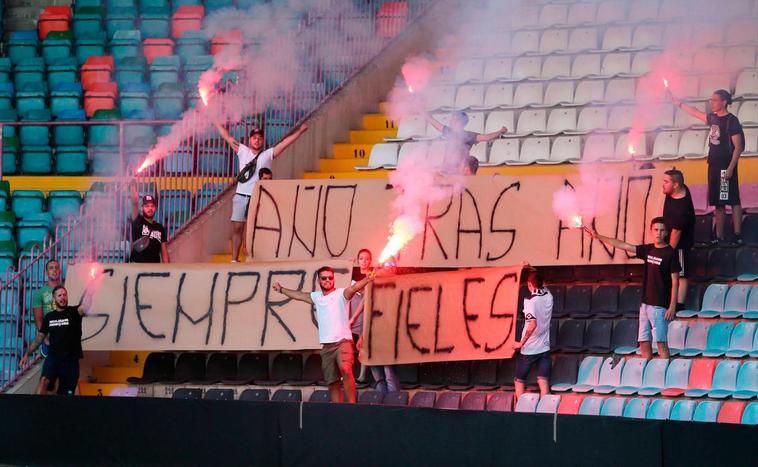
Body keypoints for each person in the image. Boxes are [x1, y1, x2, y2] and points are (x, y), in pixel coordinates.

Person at [272, 266, 375, 403]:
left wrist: (367, 279)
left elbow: (354, 288)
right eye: (324, 278)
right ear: (319, 280)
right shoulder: (317, 297)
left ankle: (352, 406)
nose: (327, 280)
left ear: (334, 279)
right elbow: (299, 295)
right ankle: (336, 410)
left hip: (343, 342)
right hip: (327, 346)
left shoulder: (341, 294)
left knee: (345, 369)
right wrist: (281, 289)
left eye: (330, 277)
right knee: (332, 381)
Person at [214, 122, 308, 262]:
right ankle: (234, 260)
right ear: (249, 140)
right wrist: (216, 123)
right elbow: (227, 136)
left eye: (259, 138)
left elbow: (284, 144)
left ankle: (253, 258)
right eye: (254, 138)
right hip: (241, 195)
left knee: (256, 230)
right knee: (238, 228)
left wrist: (300, 131)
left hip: (258, 197)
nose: (257, 140)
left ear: (263, 141)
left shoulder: (268, 154)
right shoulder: (242, 150)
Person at [589, 217, 680, 359]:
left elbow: (675, 281)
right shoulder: (648, 249)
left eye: (662, 230)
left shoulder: (670, 253)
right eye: (656, 230)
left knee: (661, 342)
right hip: (644, 305)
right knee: (644, 342)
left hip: (660, 306)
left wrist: (672, 306)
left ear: (666, 233)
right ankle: (647, 373)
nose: (658, 233)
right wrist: (598, 236)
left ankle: (664, 377)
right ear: (651, 231)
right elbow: (623, 245)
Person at [671, 89, 744, 245]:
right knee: (718, 202)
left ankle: (737, 235)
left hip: (726, 166)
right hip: (714, 165)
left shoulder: (732, 121)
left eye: (715, 100)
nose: (711, 102)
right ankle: (719, 237)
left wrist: (731, 168)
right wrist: (679, 104)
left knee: (733, 199)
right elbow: (696, 112)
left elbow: (738, 147)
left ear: (724, 102)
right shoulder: (712, 118)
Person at [20, 285, 94, 395]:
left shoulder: (74, 312)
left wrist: (90, 292)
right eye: (59, 295)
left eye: (64, 295)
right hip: (53, 358)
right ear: (54, 298)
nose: (62, 297)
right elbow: (39, 338)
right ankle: (34, 409)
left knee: (66, 394)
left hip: (71, 360)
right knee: (44, 380)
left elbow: (85, 307)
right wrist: (27, 354)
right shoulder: (49, 317)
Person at [348, 249, 399, 394]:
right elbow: (364, 301)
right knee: (377, 371)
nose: (364, 261)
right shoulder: (369, 278)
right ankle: (382, 401)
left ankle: (394, 401)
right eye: (361, 258)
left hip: (383, 329)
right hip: (368, 328)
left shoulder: (385, 280)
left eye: (367, 258)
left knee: (388, 370)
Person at [513, 269, 553, 400]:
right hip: (545, 347)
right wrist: (531, 269)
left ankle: (520, 410)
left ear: (530, 284)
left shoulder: (529, 301)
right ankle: (546, 411)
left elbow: (532, 324)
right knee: (543, 381)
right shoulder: (549, 296)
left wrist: (521, 343)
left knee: (519, 381)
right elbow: (542, 285)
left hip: (529, 349)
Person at [423, 110, 507, 173]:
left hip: (460, 170)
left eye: (453, 118)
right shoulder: (449, 132)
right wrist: (428, 117)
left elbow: (485, 137)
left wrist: (499, 132)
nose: (451, 120)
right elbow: (436, 124)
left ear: (458, 121)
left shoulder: (468, 135)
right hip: (447, 169)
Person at [662, 169, 695, 312]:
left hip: (679, 245)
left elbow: (676, 233)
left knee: (680, 274)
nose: (662, 185)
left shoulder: (681, 208)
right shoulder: (676, 191)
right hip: (672, 240)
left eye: (666, 182)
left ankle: (680, 305)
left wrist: (667, 252)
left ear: (675, 185)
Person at [31, 259, 62, 394]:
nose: (54, 270)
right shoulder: (39, 293)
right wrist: (44, 337)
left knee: (59, 377)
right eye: (51, 268)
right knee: (46, 376)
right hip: (48, 338)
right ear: (46, 272)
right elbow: (38, 318)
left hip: (63, 338)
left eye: (56, 268)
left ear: (60, 271)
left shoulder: (64, 290)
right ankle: (38, 407)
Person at [129, 184, 169, 263]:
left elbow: (164, 253)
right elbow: (134, 203)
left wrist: (169, 270)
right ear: (142, 208)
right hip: (136, 268)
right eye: (147, 206)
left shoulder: (159, 227)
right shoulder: (137, 220)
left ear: (155, 208)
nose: (150, 208)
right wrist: (133, 184)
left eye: (152, 206)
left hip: (154, 269)